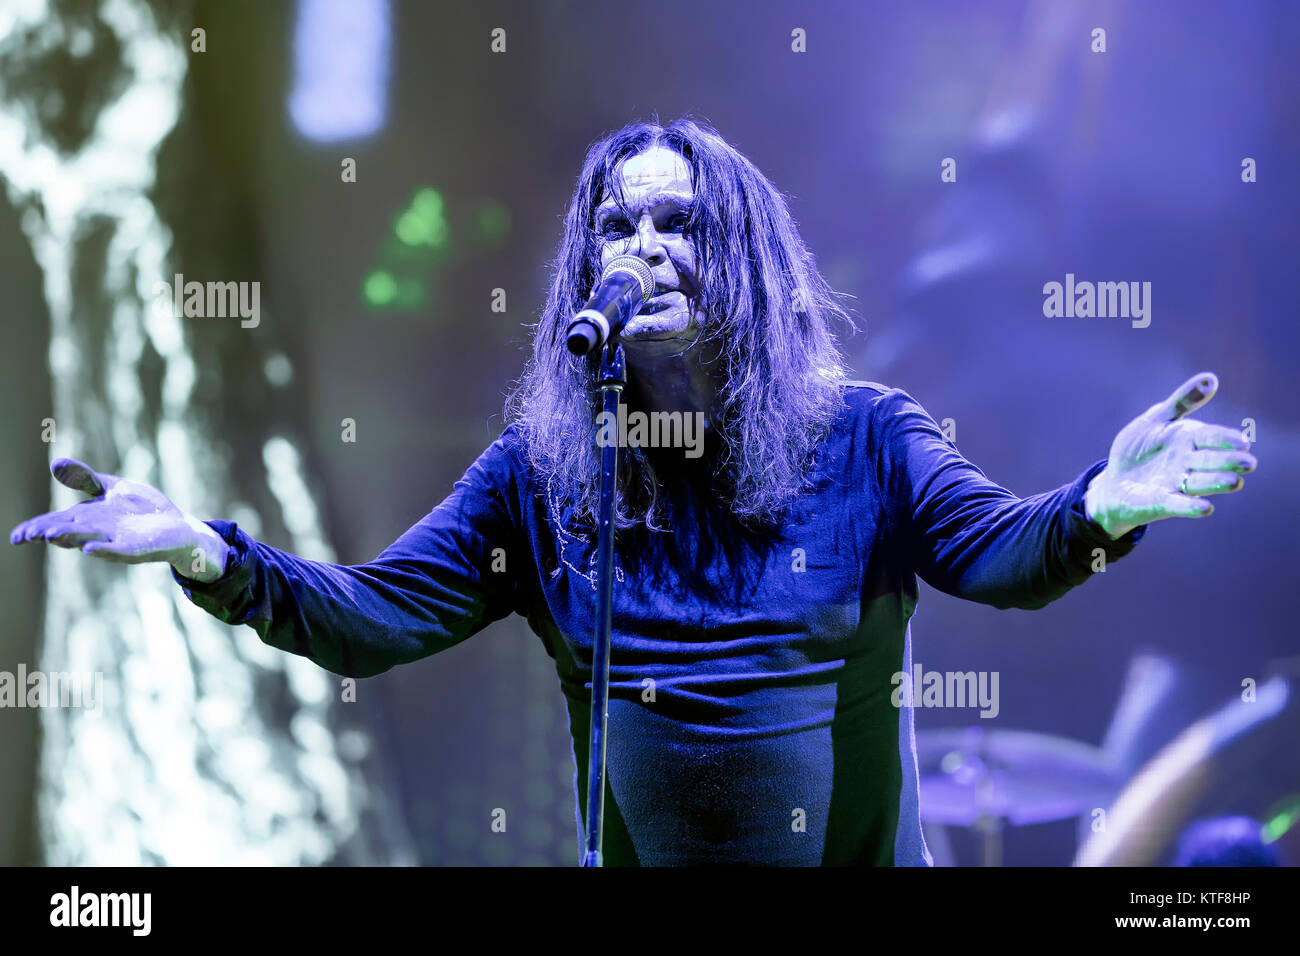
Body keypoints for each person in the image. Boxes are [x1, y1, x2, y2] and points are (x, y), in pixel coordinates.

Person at [10, 119, 1257, 866]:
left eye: (677, 223)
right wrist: (206, 553)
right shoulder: (540, 479)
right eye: (614, 226)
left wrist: (1102, 501)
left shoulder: (861, 438)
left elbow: (1005, 556)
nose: (642, 247)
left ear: (745, 264)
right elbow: (372, 616)